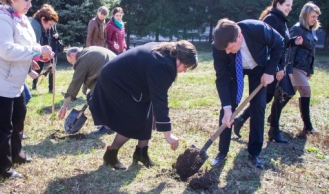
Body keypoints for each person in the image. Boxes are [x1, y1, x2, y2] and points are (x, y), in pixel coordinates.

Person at [0, 0, 54, 179]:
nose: (29, 4)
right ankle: (1, 170)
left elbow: (25, 46)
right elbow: (6, 50)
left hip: (12, 81)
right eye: (25, 0)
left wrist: (32, 59)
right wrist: (37, 51)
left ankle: (17, 155)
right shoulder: (0, 19)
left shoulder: (21, 18)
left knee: (18, 116)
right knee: (2, 126)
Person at [90, 40, 198, 170]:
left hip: (128, 80)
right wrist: (168, 134)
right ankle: (110, 155)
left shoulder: (168, 52)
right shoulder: (163, 65)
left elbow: (156, 98)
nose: (185, 71)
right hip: (115, 82)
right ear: (178, 58)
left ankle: (141, 152)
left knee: (147, 111)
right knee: (134, 120)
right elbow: (160, 100)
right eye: (185, 66)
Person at [212, 18, 284, 169]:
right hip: (234, 70)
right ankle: (222, 152)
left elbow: (279, 43)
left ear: (239, 36)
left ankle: (254, 153)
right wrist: (227, 108)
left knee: (258, 107)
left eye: (230, 48)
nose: (227, 52)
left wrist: (270, 71)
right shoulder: (219, 47)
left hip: (259, 68)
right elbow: (222, 78)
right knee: (228, 108)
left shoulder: (258, 29)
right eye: (224, 50)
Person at [233, 0, 303, 143]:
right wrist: (275, 69)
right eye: (287, 5)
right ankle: (274, 131)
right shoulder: (271, 19)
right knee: (282, 94)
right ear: (278, 4)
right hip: (271, 68)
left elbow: (281, 42)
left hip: (278, 66)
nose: (290, 8)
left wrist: (293, 41)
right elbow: (267, 47)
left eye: (291, 5)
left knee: (267, 97)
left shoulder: (281, 20)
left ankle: (242, 119)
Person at [58, 46, 116, 134]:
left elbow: (75, 83)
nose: (73, 65)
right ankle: (111, 123)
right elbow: (93, 71)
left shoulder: (82, 59)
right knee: (92, 96)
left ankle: (108, 127)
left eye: (71, 62)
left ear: (73, 55)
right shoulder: (90, 50)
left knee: (94, 101)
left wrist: (65, 106)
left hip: (111, 79)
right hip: (117, 76)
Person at [288, 2, 321, 136]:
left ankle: (272, 117)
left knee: (287, 94)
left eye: (316, 17)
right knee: (306, 91)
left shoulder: (311, 30)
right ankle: (308, 127)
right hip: (295, 66)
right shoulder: (297, 29)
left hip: (304, 68)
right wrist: (289, 70)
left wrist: (310, 70)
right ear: (305, 15)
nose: (315, 19)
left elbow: (311, 51)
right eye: (313, 16)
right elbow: (290, 49)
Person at [30, 4, 59, 92]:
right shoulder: (36, 28)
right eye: (49, 24)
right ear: (43, 19)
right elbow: (29, 48)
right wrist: (29, 69)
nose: (49, 28)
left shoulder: (35, 24)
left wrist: (41, 57)